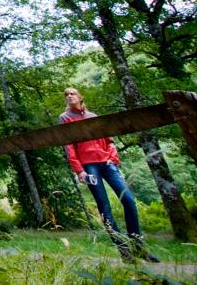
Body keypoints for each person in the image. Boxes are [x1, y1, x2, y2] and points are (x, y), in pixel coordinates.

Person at [59, 87, 160, 263]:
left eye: (72, 93)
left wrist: (113, 159)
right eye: (66, 95)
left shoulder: (93, 116)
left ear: (80, 97)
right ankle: (124, 251)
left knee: (128, 200)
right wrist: (79, 170)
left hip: (107, 163)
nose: (69, 96)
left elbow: (110, 140)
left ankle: (138, 248)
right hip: (88, 166)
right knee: (104, 207)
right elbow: (68, 146)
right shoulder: (64, 118)